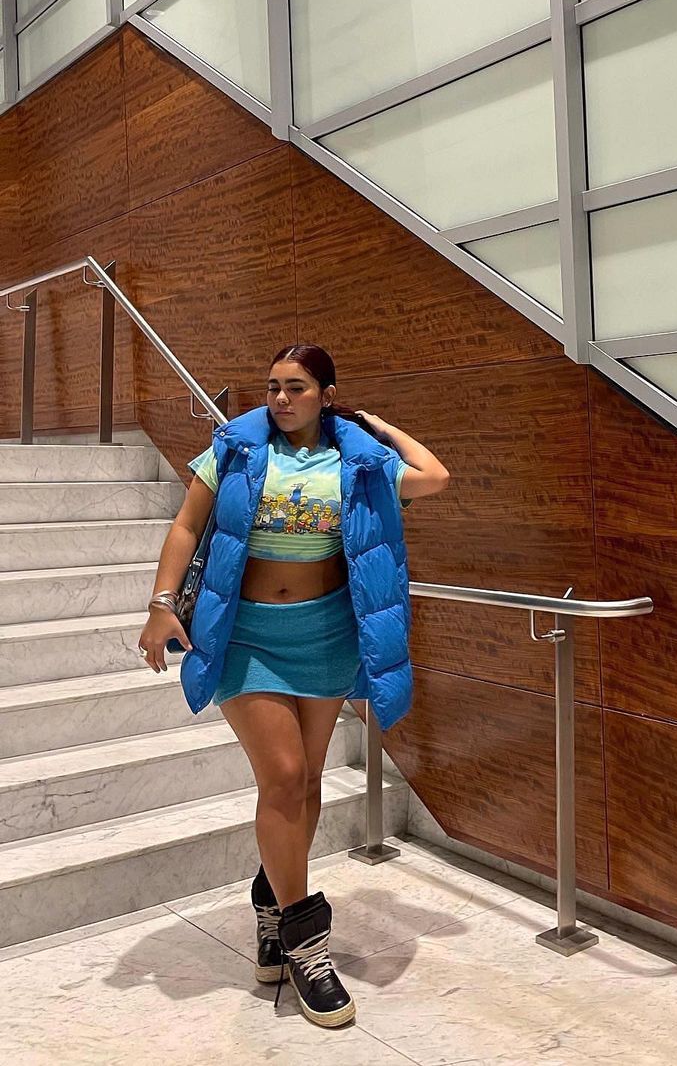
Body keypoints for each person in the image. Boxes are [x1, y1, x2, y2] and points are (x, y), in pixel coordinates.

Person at [136, 343, 450, 1027]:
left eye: (297, 387)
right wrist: (162, 603)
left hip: (326, 636)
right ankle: (306, 946)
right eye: (273, 386)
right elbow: (187, 524)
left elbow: (434, 477)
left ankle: (271, 901)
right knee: (282, 776)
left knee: (307, 781)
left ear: (326, 395)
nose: (280, 399)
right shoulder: (236, 450)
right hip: (247, 635)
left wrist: (378, 427)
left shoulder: (356, 459)